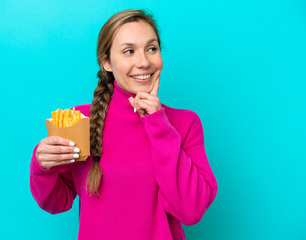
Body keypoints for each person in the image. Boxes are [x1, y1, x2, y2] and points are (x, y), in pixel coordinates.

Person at [30, 9, 218, 240]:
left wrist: (157, 123)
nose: (144, 62)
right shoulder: (79, 121)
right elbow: (57, 201)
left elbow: (191, 210)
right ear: (106, 62)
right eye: (129, 51)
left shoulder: (184, 123)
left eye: (152, 49)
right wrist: (42, 166)